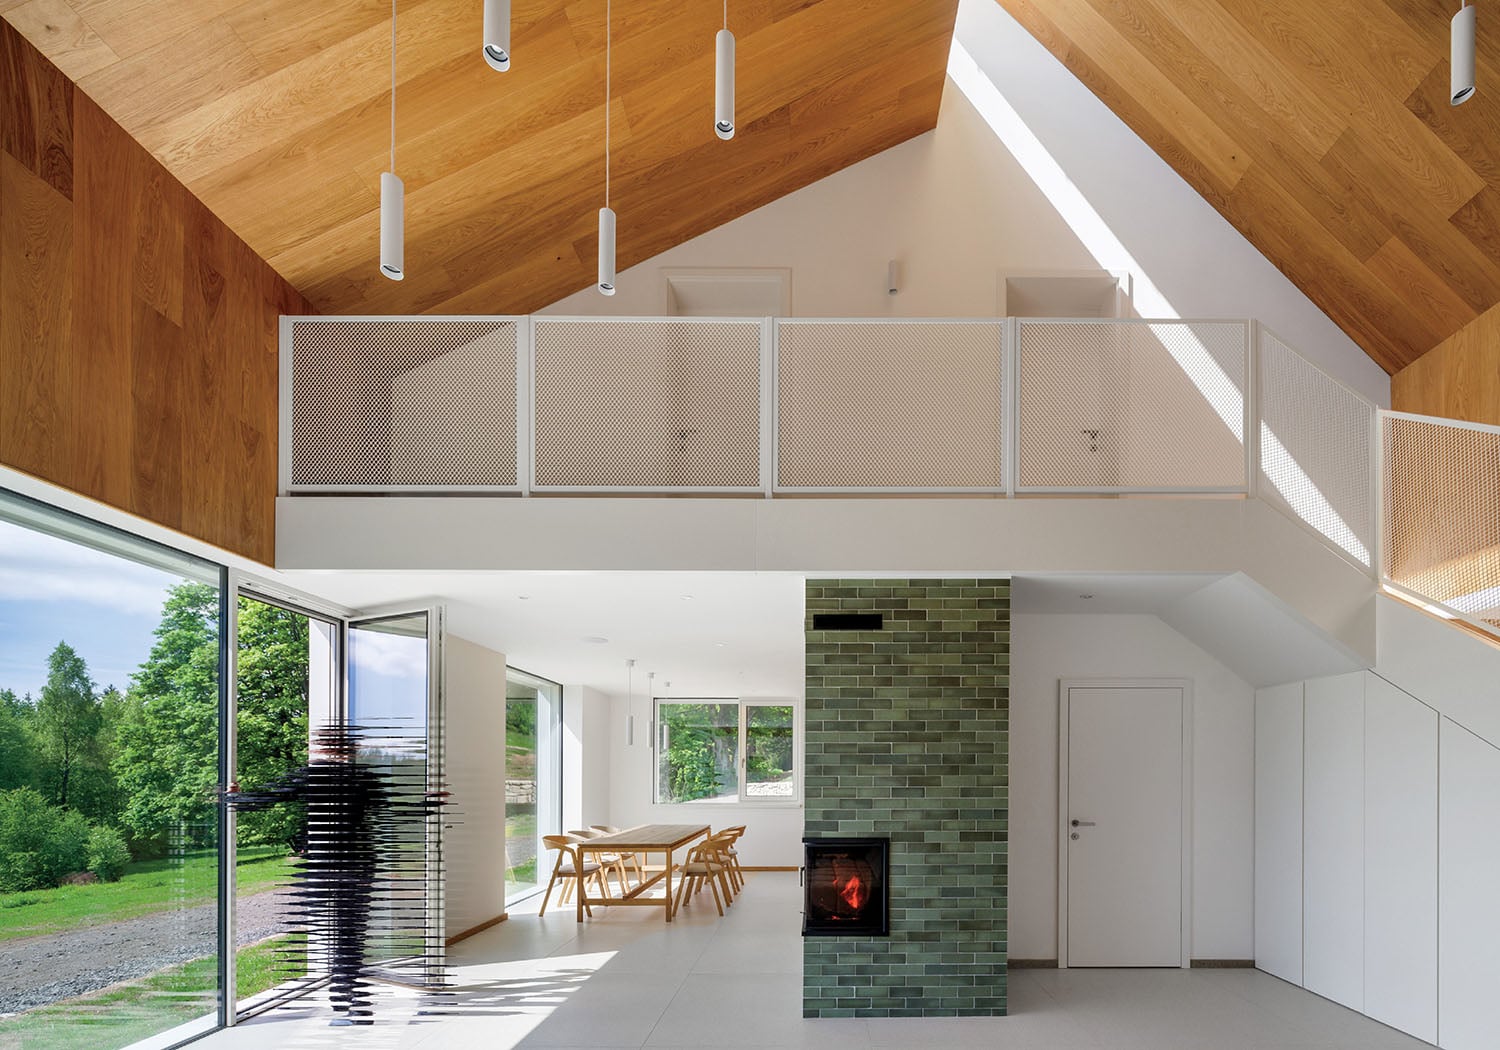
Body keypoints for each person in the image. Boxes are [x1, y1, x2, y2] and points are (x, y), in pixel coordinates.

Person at [226, 722, 442, 1025]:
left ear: (322, 747)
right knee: (350, 936)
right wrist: (428, 803)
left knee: (334, 932)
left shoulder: (310, 774)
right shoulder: (364, 777)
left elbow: (268, 798)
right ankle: (349, 999)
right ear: (351, 748)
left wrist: (234, 797)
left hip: (323, 868)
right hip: (358, 866)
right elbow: (394, 813)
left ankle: (345, 998)